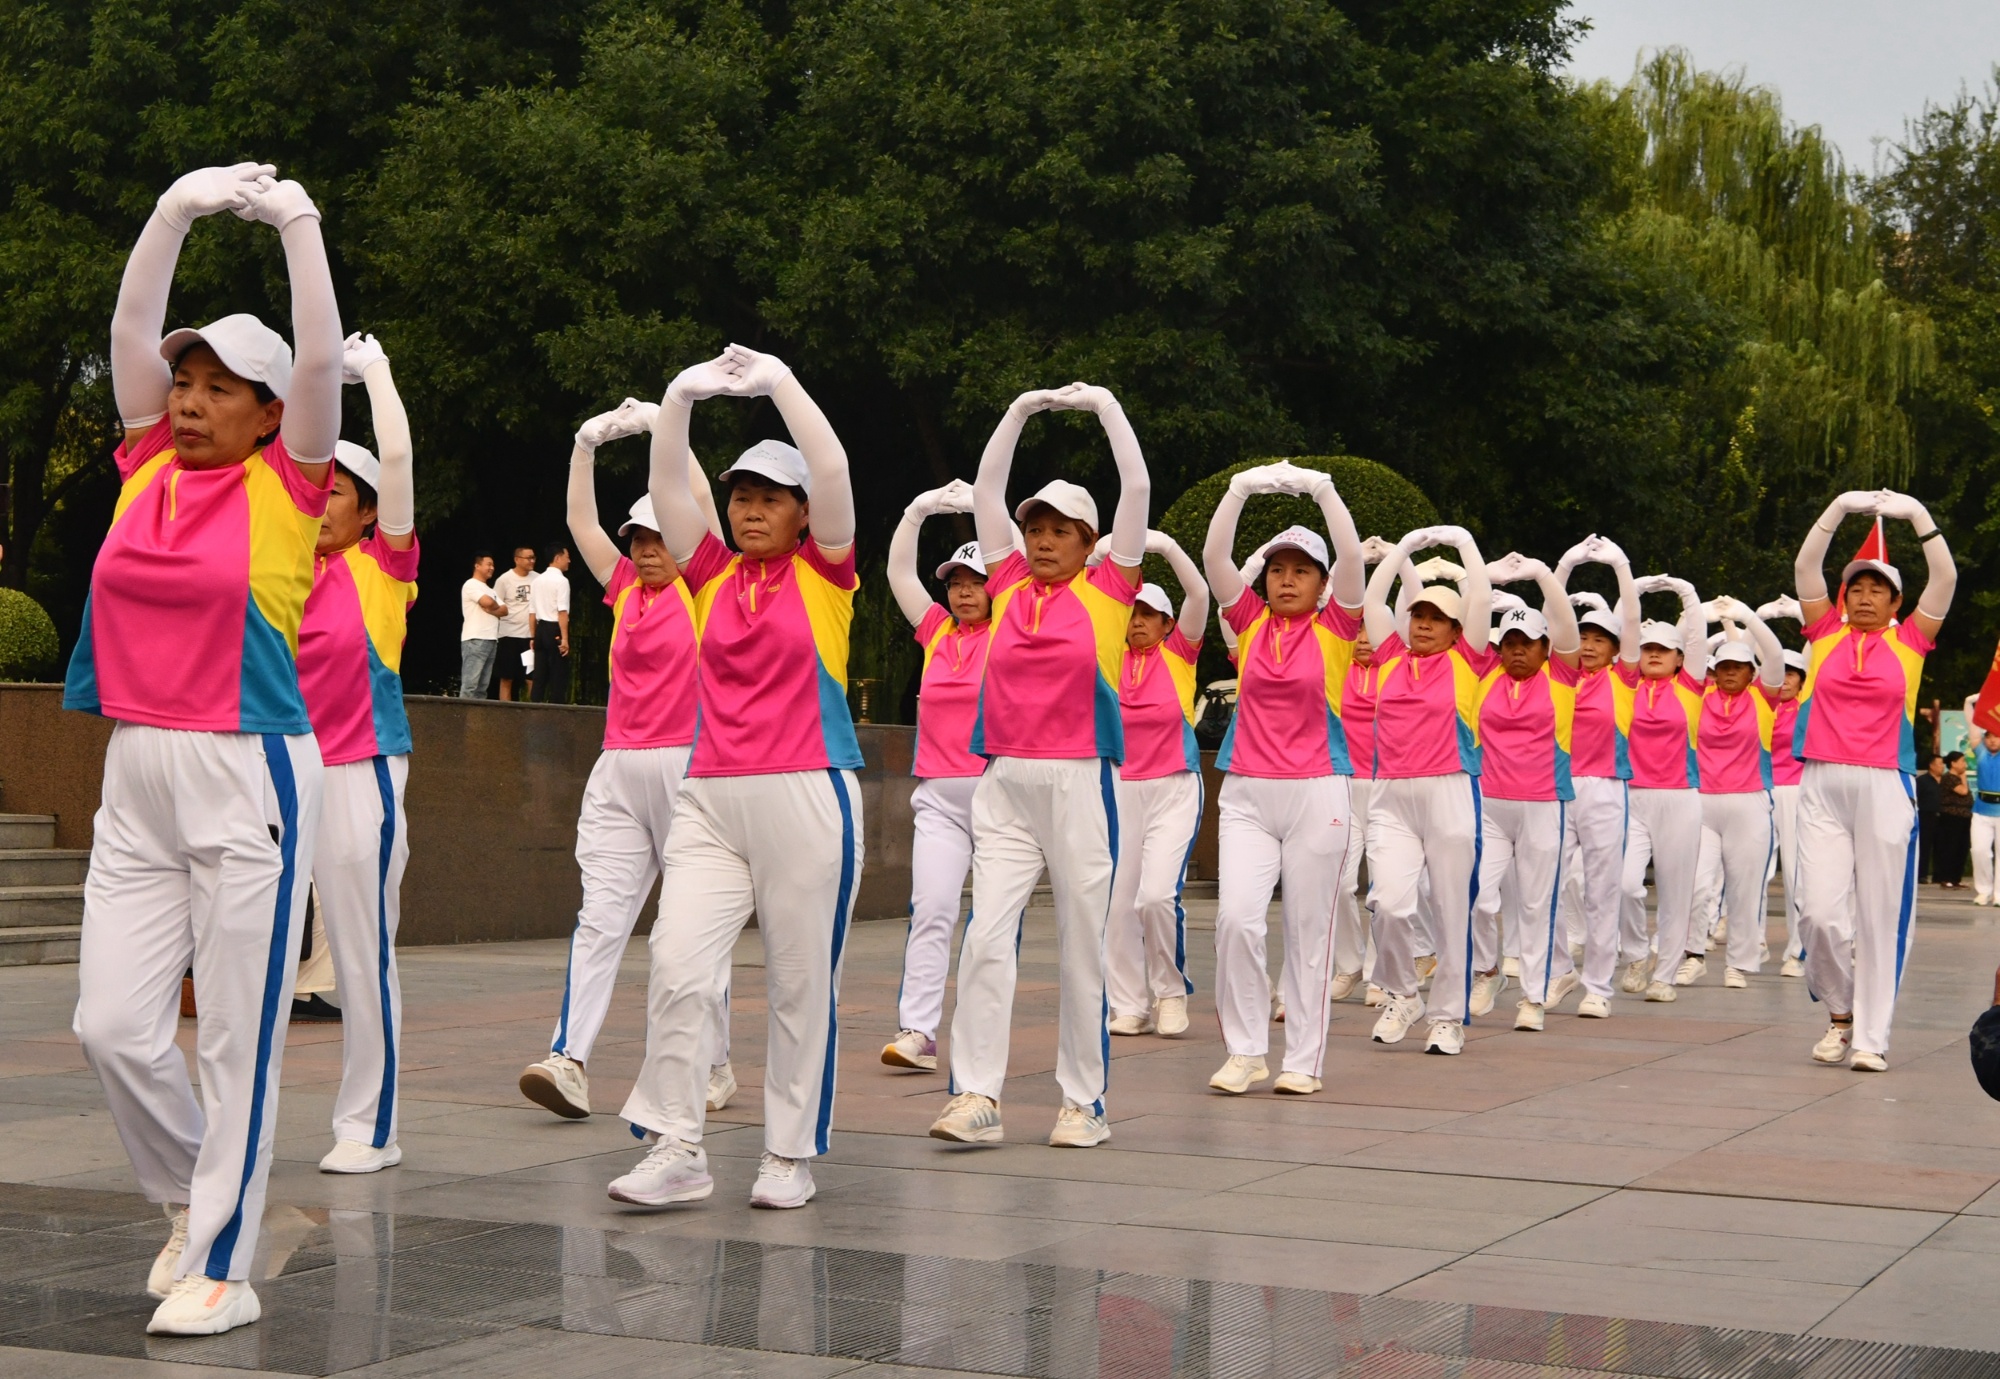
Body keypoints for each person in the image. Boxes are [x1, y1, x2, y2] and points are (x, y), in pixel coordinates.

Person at [65, 163, 339, 1336]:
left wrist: (294, 222)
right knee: (112, 1024)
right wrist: (173, 206)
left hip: (251, 769)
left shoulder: (289, 485)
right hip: (137, 767)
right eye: (183, 379)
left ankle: (225, 1263)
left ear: (271, 413)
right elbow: (130, 321)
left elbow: (322, 359)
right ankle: (199, 1198)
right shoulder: (140, 469)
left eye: (221, 386)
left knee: (237, 1032)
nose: (188, 399)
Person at [612, 344, 864, 1210]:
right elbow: (666, 482)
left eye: (770, 498)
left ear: (801, 513)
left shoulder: (828, 572)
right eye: (741, 496)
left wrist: (780, 383)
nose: (751, 510)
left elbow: (829, 463)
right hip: (710, 793)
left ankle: (788, 1154)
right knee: (679, 965)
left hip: (806, 787)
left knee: (799, 982)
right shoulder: (710, 572)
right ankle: (677, 1144)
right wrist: (678, 394)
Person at [927, 382, 1148, 1146]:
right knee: (987, 934)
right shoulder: (1010, 581)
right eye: (1036, 528)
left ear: (1091, 542)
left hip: (1082, 779)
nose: (1045, 540)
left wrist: (1106, 408)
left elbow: (1139, 485)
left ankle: (1083, 1101)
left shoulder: (1113, 590)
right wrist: (1019, 411)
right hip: (1006, 781)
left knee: (1085, 940)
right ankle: (977, 1095)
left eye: (1063, 530)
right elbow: (987, 489)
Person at [519, 399, 732, 1121]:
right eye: (636, 537)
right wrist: (584, 445)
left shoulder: (708, 590)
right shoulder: (622, 595)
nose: (644, 548)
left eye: (655, 536)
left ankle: (715, 1060)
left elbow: (699, 496)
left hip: (687, 768)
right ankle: (568, 1059)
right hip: (618, 767)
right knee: (601, 918)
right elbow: (581, 523)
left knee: (691, 925)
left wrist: (667, 430)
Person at [294, 332, 419, 1175]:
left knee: (361, 948)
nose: (323, 500)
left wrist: (372, 372)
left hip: (359, 770)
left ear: (369, 510)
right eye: (319, 487)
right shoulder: (279, 559)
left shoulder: (385, 566)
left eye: (339, 491)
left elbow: (400, 454)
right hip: (274, 769)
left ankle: (370, 1125)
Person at [1197, 464, 1364, 1092]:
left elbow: (1350, 552)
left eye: (1301, 571)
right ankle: (1244, 1051)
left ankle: (1302, 1061)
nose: (1286, 580)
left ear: (1323, 584)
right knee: (1237, 919)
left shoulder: (1338, 627)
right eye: (1276, 569)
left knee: (1306, 929)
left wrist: (1320, 489)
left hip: (1318, 790)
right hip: (1245, 792)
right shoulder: (1247, 623)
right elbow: (1215, 554)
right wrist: (1239, 489)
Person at [1792, 488, 1954, 1072]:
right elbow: (1805, 565)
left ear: (1895, 602)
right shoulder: (1824, 633)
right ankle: (1840, 1012)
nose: (1864, 597)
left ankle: (1870, 1038)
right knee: (1818, 914)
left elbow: (1947, 577)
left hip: (1886, 785)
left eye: (1877, 590)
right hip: (1822, 783)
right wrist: (1836, 508)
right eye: (1855, 588)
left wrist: (1920, 516)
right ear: (1843, 596)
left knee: (1880, 916)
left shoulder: (1912, 641)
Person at [1364, 524, 1492, 1056]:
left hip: (1449, 791)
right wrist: (1403, 549)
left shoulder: (1470, 658)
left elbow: (1481, 592)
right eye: (1419, 614)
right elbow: (1373, 596)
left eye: (1438, 618)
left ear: (1457, 629)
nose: (1424, 624)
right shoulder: (1389, 655)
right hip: (1391, 794)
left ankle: (1448, 1017)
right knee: (1388, 904)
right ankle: (1403, 994)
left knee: (1449, 908)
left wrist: (1461, 540)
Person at [881, 481, 993, 1071]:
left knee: (993, 929)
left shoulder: (1012, 632)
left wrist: (986, 505)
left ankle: (979, 1036)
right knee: (932, 908)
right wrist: (916, 508)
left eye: (977, 582)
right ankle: (917, 1032)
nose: (965, 592)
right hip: (940, 800)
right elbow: (901, 573)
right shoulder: (935, 631)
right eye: (955, 582)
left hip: (1002, 798)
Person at [1100, 532, 1210, 1039]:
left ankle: (1169, 992)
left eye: (1148, 615)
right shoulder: (1106, 656)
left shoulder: (1180, 654)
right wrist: (1102, 555)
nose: (1137, 621)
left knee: (1156, 898)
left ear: (1167, 624)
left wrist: (1165, 548)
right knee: (1119, 904)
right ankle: (1128, 1003)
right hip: (1121, 789)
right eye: (1132, 612)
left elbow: (1200, 595)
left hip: (1173, 787)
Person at [1467, 556, 1583, 1032]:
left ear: (1544, 648)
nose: (1516, 651)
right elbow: (1472, 610)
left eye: (1527, 644)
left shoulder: (1562, 677)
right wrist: (1481, 578)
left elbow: (1566, 624)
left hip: (1542, 805)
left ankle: (1534, 997)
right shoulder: (1482, 676)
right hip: (1489, 806)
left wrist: (1542, 574)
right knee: (1475, 894)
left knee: (1536, 905)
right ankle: (1488, 971)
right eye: (1509, 643)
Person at [1552, 538, 1641, 1018]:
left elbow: (1630, 616)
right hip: (1558, 787)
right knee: (1551, 884)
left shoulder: (1625, 678)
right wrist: (1565, 564)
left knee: (1602, 889)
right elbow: (1551, 612)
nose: (1586, 646)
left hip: (1605, 786)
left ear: (1614, 648)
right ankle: (1562, 967)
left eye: (1598, 640)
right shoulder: (1559, 673)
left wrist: (1619, 565)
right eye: (1581, 638)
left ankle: (1598, 987)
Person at [1614, 577, 1709, 1002]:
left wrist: (1684, 591)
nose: (1652, 654)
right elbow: (1621, 625)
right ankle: (1636, 953)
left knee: (1675, 892)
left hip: (1679, 798)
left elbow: (1698, 632)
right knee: (1623, 884)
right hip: (1630, 795)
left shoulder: (1690, 687)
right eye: (1647, 648)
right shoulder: (1624, 684)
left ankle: (1665, 976)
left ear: (1678, 658)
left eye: (1662, 650)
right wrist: (1630, 588)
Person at [1692, 598, 1786, 988]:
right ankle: (1692, 953)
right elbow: (1687, 645)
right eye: (1723, 667)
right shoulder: (1697, 698)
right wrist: (1697, 614)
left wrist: (1749, 616)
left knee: (1745, 890)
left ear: (1752, 672)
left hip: (1749, 802)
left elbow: (1776, 653)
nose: (1730, 673)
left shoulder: (1764, 699)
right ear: (1713, 671)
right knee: (1695, 885)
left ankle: (1740, 963)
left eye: (1738, 667)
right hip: (1701, 802)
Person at [529, 545, 572, 703]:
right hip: (555, 628)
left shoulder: (537, 581)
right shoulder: (561, 581)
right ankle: (557, 712)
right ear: (557, 558)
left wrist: (533, 636)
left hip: (540, 629)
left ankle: (533, 710)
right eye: (567, 556)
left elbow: (532, 613)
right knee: (558, 674)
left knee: (539, 674)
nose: (569, 560)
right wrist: (565, 639)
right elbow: (562, 612)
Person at [493, 546, 536, 700]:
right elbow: (495, 605)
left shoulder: (538, 579)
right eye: (528, 558)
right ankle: (504, 715)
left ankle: (535, 715)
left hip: (530, 637)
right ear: (517, 559)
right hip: (508, 635)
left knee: (531, 677)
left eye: (533, 557)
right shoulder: (504, 580)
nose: (532, 561)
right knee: (506, 677)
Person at [459, 554, 504, 697]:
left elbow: (505, 610)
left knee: (482, 687)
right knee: (470, 684)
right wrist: (493, 607)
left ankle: (476, 719)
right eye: (488, 564)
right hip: (475, 639)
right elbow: (487, 602)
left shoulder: (491, 590)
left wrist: (492, 608)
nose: (492, 568)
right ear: (477, 566)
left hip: (491, 639)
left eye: (493, 565)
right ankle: (462, 718)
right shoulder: (470, 584)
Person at [1971, 731, 2000, 905]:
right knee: (1979, 850)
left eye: (1996, 736)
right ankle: (1984, 891)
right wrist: (1969, 703)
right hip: (1981, 809)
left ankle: (1999, 894)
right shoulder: (1981, 752)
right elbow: (1973, 730)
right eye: (1988, 737)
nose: (1992, 740)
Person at [1937, 752, 1973, 889]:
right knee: (1950, 847)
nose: (1965, 764)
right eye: (1962, 761)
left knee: (1962, 848)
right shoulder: (1949, 778)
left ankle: (1956, 878)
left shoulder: (1957, 778)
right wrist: (1963, 777)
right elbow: (1963, 791)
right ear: (1953, 763)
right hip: (1952, 817)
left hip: (1964, 817)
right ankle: (1946, 878)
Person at [1916, 754, 1946, 886]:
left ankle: (1938, 875)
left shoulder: (1946, 780)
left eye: (1943, 764)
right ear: (1931, 765)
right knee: (1924, 846)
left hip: (1943, 816)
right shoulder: (1922, 781)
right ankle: (1922, 874)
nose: (1942, 766)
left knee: (1941, 846)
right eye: (1939, 764)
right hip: (1926, 816)